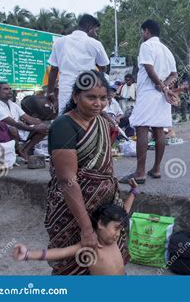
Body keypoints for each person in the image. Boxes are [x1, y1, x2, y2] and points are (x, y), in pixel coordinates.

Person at [45, 70, 128, 275]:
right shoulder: (64, 126)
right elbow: (67, 181)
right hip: (73, 209)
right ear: (75, 97)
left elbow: (104, 163)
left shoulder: (103, 121)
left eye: (103, 98)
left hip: (104, 206)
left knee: (103, 258)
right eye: (91, 97)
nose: (98, 103)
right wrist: (87, 228)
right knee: (74, 262)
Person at [14, 178, 140, 275]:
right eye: (116, 228)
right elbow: (61, 252)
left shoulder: (112, 238)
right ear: (101, 224)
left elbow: (125, 210)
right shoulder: (92, 246)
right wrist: (28, 254)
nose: (118, 233)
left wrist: (133, 192)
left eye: (120, 228)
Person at [121, 20, 178, 184]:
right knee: (159, 130)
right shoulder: (167, 50)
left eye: (142, 32)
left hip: (148, 93)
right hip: (162, 96)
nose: (142, 35)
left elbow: (148, 67)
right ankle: (156, 169)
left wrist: (160, 85)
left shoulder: (146, 46)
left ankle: (140, 173)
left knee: (142, 129)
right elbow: (174, 74)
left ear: (146, 31)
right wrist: (165, 87)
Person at [46, 14, 110, 114]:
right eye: (95, 30)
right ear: (90, 28)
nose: (96, 34)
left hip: (66, 89)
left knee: (66, 119)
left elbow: (53, 69)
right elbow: (103, 67)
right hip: (88, 88)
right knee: (88, 119)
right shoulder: (95, 44)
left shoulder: (59, 42)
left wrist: (49, 92)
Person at [0, 82, 48, 161]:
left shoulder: (12, 104)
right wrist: (34, 128)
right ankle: (18, 150)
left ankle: (25, 150)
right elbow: (13, 123)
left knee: (43, 129)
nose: (10, 91)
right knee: (13, 129)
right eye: (6, 89)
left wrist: (43, 125)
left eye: (10, 89)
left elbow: (28, 118)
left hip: (15, 131)